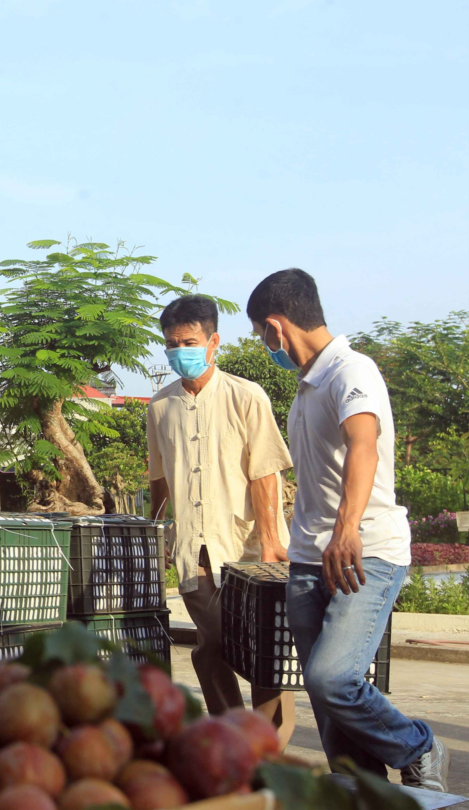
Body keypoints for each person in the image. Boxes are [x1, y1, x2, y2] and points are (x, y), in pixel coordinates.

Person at [247, 268, 447, 791]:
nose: (266, 346)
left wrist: (346, 530)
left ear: (275, 327)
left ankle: (419, 745)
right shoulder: (308, 386)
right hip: (310, 559)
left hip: (365, 552)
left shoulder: (351, 371)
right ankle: (364, 793)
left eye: (260, 336)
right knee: (331, 713)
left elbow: (364, 443)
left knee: (332, 679)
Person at [147, 294, 295, 745]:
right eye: (171, 344)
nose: (179, 352)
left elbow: (265, 469)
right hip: (195, 552)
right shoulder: (159, 407)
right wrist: (155, 538)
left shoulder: (245, 396)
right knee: (212, 645)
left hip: (250, 550)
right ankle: (234, 739)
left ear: (213, 342)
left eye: (188, 341)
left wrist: (271, 540)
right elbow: (159, 479)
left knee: (265, 650)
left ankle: (268, 744)